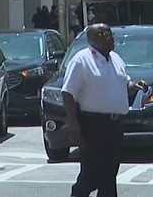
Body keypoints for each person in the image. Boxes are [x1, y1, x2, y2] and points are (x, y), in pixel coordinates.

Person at [61, 24, 148, 197]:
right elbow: (68, 93)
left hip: (114, 125)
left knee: (110, 173)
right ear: (92, 39)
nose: (110, 37)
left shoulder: (115, 59)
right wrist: (73, 124)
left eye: (110, 33)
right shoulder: (82, 60)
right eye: (104, 34)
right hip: (93, 125)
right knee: (92, 173)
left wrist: (133, 86)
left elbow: (122, 85)